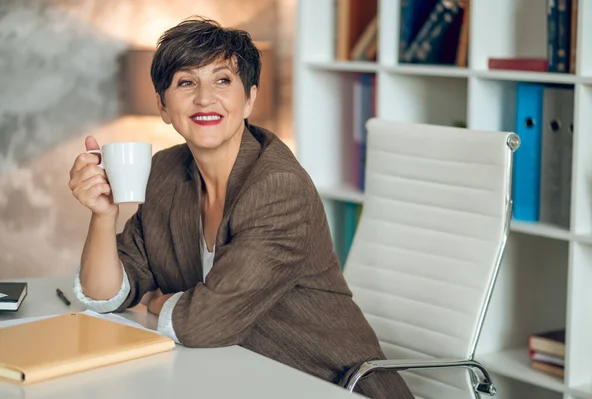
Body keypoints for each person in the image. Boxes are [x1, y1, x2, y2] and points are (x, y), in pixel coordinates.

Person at [67, 16, 414, 399]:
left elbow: (202, 325)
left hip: (328, 384)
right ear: (163, 107)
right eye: (186, 82)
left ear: (248, 98)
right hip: (236, 377)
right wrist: (102, 215)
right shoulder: (164, 172)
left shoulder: (278, 189)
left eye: (222, 80)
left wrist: (157, 301)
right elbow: (106, 295)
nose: (204, 98)